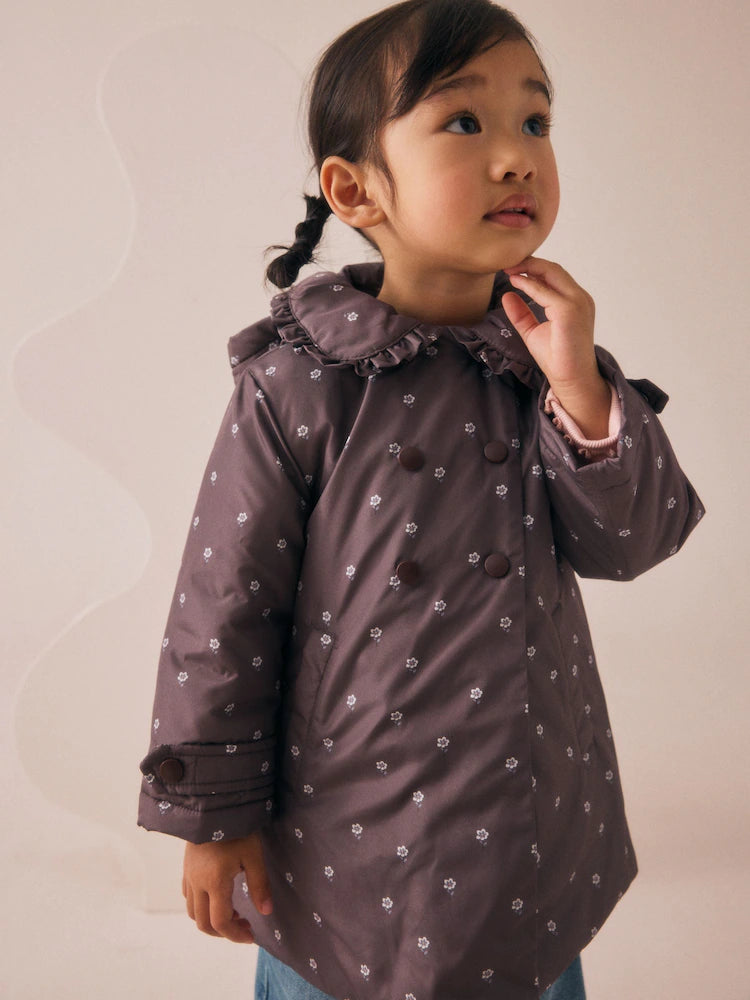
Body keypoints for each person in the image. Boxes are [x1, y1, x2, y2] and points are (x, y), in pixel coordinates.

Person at [138, 1, 704, 998]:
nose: (516, 157)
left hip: (528, 836)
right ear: (355, 188)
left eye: (535, 121)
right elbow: (225, 607)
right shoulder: (300, 381)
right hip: (343, 843)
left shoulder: (547, 365)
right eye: (464, 122)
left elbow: (631, 543)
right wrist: (214, 818)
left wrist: (580, 384)